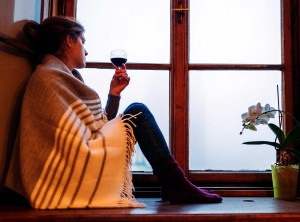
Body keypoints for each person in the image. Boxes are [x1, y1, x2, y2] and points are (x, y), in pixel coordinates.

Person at [5, 16, 222, 209]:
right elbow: (87, 134)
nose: (86, 50)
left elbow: (95, 127)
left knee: (136, 110)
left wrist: (113, 94)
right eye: (83, 42)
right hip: (69, 167)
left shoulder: (61, 77)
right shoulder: (49, 78)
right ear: (69, 40)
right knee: (138, 111)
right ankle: (175, 184)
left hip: (81, 152)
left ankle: (174, 184)